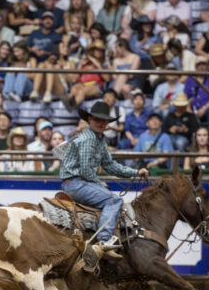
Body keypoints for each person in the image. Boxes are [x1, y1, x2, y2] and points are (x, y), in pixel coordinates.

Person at [55, 100, 147, 268]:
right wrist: (100, 184)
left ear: (108, 123)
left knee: (111, 197)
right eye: (97, 119)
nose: (101, 123)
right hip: (76, 183)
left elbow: (110, 165)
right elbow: (86, 171)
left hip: (78, 182)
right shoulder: (88, 140)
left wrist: (135, 172)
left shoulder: (98, 140)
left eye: (104, 120)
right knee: (114, 200)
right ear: (90, 119)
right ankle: (103, 242)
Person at [183, 56, 209, 133]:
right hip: (192, 109)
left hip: (207, 108)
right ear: (195, 67)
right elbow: (185, 96)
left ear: (207, 66)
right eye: (199, 65)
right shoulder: (190, 79)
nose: (201, 67)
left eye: (204, 64)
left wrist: (204, 108)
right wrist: (188, 109)